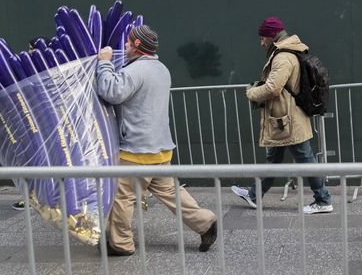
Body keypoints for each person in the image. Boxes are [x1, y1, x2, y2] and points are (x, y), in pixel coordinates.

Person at [96, 25, 217, 256]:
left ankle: (120, 244)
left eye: (130, 43)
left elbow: (112, 92)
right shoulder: (162, 69)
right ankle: (205, 222)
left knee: (122, 197)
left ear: (139, 46)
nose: (126, 46)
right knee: (172, 192)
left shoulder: (137, 70)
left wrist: (104, 63)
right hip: (159, 149)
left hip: (136, 151)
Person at [231, 17, 333, 214]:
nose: (261, 43)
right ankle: (254, 195)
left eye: (262, 39)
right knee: (275, 160)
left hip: (287, 119)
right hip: (284, 118)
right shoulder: (286, 52)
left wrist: (251, 92)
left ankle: (323, 199)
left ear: (271, 37)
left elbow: (273, 87)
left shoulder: (283, 57)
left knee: (306, 160)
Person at [12, 36, 48, 211]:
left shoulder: (44, 69)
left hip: (43, 125)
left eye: (32, 49)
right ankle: (32, 197)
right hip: (33, 123)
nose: (29, 52)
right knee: (32, 161)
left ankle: (39, 197)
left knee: (40, 161)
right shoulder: (28, 70)